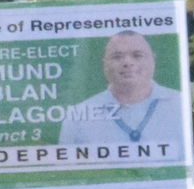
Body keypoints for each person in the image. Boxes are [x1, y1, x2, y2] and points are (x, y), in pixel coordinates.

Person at [57, 31, 187, 156]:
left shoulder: (180, 106)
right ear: (105, 64)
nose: (127, 63)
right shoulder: (78, 116)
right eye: (117, 57)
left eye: (137, 55)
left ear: (152, 60)